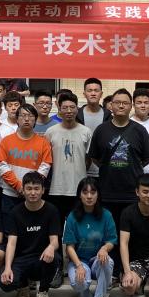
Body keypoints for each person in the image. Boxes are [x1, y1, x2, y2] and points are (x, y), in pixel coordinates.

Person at [87, 89, 149, 226]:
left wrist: (132, 166)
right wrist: (108, 165)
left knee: (131, 232)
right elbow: (94, 157)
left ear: (131, 106)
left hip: (133, 194)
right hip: (107, 193)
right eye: (117, 102)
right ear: (111, 105)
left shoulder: (140, 130)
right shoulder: (101, 130)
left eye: (125, 103)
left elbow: (147, 158)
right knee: (109, 232)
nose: (121, 106)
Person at [0, 171, 62, 297]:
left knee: (55, 258)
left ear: (43, 190)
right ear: (23, 190)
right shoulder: (15, 212)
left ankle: (43, 291)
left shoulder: (51, 210)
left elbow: (55, 241)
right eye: (29, 189)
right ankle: (23, 286)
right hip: (21, 259)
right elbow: (11, 243)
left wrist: (51, 247)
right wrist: (7, 267)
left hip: (41, 258)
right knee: (6, 284)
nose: (33, 193)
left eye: (36, 189)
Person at [63, 177, 117, 297]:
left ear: (98, 195)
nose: (89, 196)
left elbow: (112, 240)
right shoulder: (72, 217)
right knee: (79, 283)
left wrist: (104, 248)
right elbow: (69, 247)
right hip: (79, 260)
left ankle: (103, 295)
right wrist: (79, 265)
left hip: (96, 260)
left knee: (107, 261)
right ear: (79, 195)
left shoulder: (106, 215)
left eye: (93, 192)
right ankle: (83, 291)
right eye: (85, 192)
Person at [0, 103, 52, 229]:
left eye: (30, 116)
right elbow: (2, 165)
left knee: (31, 231)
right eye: (23, 116)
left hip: (33, 195)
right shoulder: (6, 141)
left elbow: (45, 166)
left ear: (35, 119)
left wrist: (29, 188)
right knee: (9, 231)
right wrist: (19, 186)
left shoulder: (43, 143)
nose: (26, 119)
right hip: (10, 195)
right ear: (17, 119)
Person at [46, 91, 93, 221]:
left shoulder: (86, 132)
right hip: (56, 188)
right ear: (59, 109)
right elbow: (47, 159)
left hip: (79, 188)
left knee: (78, 223)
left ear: (77, 109)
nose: (69, 111)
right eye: (65, 107)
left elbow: (89, 159)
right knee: (57, 224)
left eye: (72, 107)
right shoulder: (51, 132)